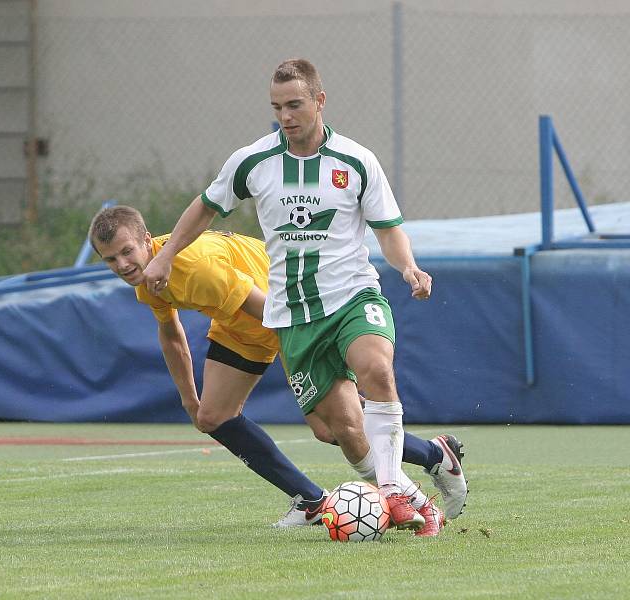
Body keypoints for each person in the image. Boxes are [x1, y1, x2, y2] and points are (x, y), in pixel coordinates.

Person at [142, 58, 456, 535]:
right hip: (294, 314)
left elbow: (389, 231)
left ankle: (390, 491)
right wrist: (164, 257)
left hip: (352, 295)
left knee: (376, 369)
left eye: (294, 105)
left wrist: (408, 267)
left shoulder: (355, 161)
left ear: (319, 101)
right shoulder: (253, 161)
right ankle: (421, 489)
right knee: (340, 431)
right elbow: (204, 207)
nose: (285, 116)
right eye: (276, 107)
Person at [90, 206, 467, 536]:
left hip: (287, 310)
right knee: (213, 416)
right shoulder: (148, 279)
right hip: (241, 321)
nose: (123, 265)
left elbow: (273, 313)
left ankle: (433, 456)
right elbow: (171, 334)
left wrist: (318, 376)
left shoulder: (195, 268)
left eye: (127, 251)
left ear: (145, 239)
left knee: (330, 426)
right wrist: (190, 399)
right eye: (111, 259)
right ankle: (312, 501)